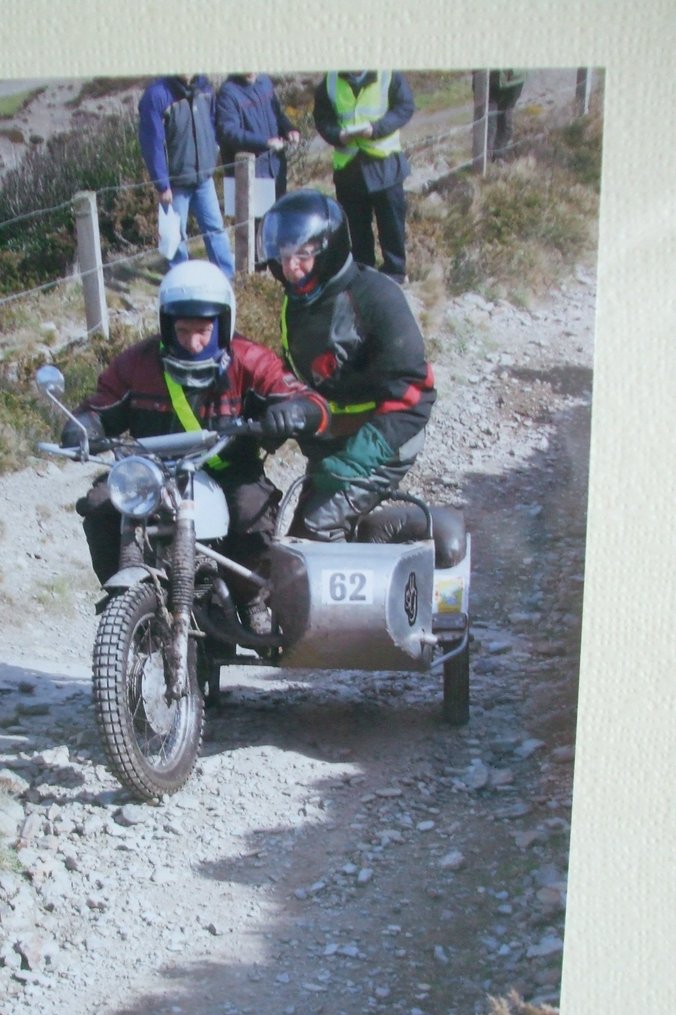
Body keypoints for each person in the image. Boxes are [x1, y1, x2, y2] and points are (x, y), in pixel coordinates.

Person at [60, 260, 327, 629]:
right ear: (166, 325)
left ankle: (250, 599)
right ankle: (124, 597)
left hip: (231, 469)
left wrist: (293, 412)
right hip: (155, 472)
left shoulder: (250, 359)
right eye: (183, 330)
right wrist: (83, 425)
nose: (193, 341)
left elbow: (308, 401)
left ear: (223, 325)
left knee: (251, 512)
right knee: (102, 504)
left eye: (203, 331)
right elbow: (102, 404)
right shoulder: (138, 363)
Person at [256, 188, 435, 542]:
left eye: (304, 255)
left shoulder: (376, 298)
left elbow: (415, 394)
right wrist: (274, 414)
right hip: (334, 437)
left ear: (329, 250)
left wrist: (355, 460)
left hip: (387, 436)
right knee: (296, 539)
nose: (292, 268)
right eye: (285, 255)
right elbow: (300, 375)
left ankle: (350, 592)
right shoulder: (297, 303)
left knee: (315, 530)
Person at [313, 70, 414, 282]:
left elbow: (404, 107)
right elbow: (322, 118)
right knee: (356, 228)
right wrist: (338, 135)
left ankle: (395, 272)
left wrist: (376, 129)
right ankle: (362, 273)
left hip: (384, 164)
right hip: (349, 168)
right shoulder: (330, 81)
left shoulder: (387, 74)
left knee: (391, 223)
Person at [138, 74, 235, 279]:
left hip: (203, 178)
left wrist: (212, 152)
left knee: (215, 228)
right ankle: (179, 278)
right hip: (175, 184)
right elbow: (152, 144)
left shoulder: (205, 88)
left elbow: (211, 122)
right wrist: (162, 184)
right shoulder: (157, 96)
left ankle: (228, 277)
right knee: (175, 236)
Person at [215, 73, 300, 202]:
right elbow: (229, 132)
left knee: (276, 216)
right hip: (251, 171)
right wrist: (265, 142)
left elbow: (277, 114)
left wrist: (289, 129)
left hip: (276, 166)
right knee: (256, 219)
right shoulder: (228, 93)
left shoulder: (265, 82)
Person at [474, 70, 527, 161]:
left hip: (513, 79)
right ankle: (484, 160)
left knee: (505, 120)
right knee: (487, 123)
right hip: (488, 78)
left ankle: (497, 157)